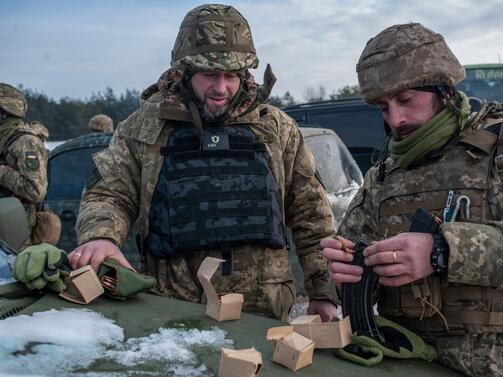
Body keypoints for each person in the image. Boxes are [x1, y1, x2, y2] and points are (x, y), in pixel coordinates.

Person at [71, 4, 337, 322]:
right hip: (170, 309)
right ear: (185, 71)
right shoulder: (143, 126)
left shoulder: (277, 128)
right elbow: (109, 193)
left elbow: (312, 214)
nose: (221, 88)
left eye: (231, 75)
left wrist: (323, 291)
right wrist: (101, 236)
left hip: (262, 311)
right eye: (210, 74)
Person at [322, 23, 503, 376]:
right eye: (383, 107)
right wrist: (343, 273)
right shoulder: (385, 175)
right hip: (403, 361)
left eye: (406, 100)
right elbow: (349, 255)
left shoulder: (496, 148)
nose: (396, 119)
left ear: (444, 90)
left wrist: (443, 251)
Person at [0, 83, 50, 247]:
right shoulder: (4, 138)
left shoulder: (25, 142)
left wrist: (3, 172)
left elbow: (36, 190)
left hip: (15, 239)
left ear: (4, 113)